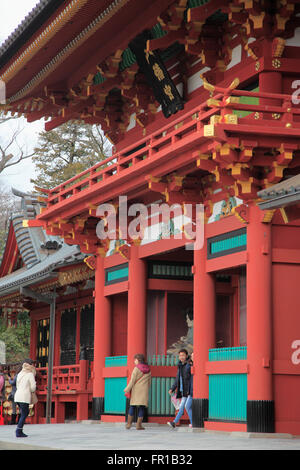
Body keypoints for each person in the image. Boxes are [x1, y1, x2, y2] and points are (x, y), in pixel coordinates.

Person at [124, 353, 151, 430]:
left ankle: (129, 424)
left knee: (132, 406)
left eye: (135, 360)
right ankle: (138, 425)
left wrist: (127, 389)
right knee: (142, 407)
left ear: (138, 360)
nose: (134, 361)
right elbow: (149, 382)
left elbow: (132, 381)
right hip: (144, 391)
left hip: (136, 390)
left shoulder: (136, 369)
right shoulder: (148, 369)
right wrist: (146, 389)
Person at [167, 348, 193, 429]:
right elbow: (177, 379)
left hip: (188, 390)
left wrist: (189, 390)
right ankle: (174, 422)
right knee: (182, 407)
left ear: (186, 356)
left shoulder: (188, 366)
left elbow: (190, 379)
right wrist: (172, 388)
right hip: (183, 390)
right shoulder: (180, 366)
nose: (181, 357)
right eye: (180, 355)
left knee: (186, 406)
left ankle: (192, 422)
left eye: (183, 355)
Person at [14, 358, 36, 438]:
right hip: (24, 396)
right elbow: (33, 387)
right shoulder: (30, 374)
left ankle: (20, 430)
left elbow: (16, 385)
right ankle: (18, 431)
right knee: (25, 413)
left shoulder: (19, 374)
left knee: (23, 413)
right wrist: (29, 389)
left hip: (17, 396)